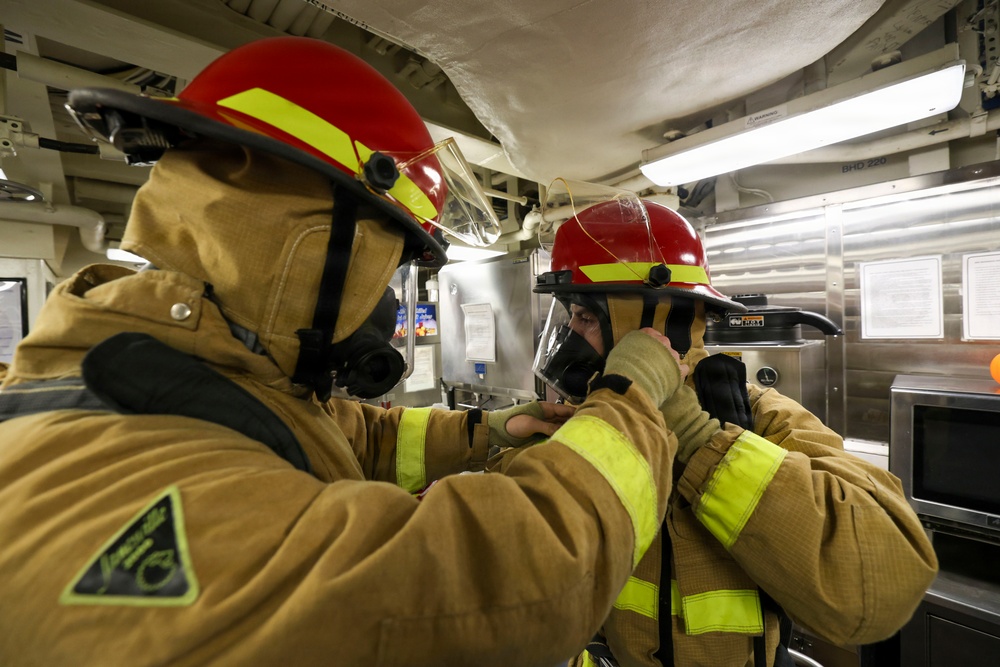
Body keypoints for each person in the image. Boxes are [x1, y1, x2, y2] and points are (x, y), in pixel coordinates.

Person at [0, 38, 690, 666]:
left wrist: (487, 430)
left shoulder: (153, 370)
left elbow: (334, 431)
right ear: (305, 244)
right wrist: (629, 400)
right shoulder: (156, 506)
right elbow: (524, 581)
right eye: (383, 271)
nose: (384, 308)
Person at [522, 186, 939, 666]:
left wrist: (701, 439)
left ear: (658, 320)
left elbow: (883, 584)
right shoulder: (586, 428)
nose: (570, 339)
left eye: (583, 317)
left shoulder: (761, 418)